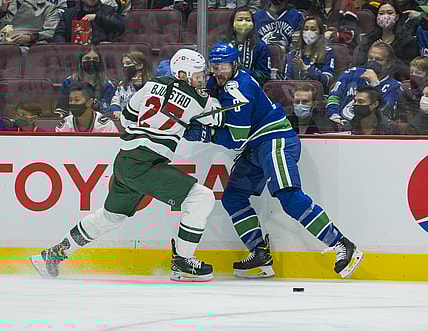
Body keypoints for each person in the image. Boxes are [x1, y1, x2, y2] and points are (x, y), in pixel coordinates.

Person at [30, 49, 222, 282]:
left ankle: (52, 255)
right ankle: (183, 262)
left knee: (111, 217)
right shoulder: (198, 98)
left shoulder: (151, 85)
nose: (201, 79)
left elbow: (128, 117)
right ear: (182, 74)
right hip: (146, 162)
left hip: (126, 158)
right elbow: (218, 119)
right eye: (197, 75)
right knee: (202, 197)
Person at [184, 41, 364, 279]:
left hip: (274, 140)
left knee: (289, 197)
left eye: (224, 66)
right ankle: (260, 252)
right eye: (215, 66)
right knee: (234, 197)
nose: (219, 72)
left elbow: (237, 139)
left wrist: (206, 133)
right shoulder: (218, 82)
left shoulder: (238, 90)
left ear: (234, 64)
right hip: (256, 146)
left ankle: (342, 244)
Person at [327, 41, 401, 129]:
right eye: (370, 58)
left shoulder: (394, 87)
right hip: (339, 125)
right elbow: (334, 96)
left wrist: (375, 84)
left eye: (378, 59)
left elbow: (384, 113)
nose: (373, 62)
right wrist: (334, 117)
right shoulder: (352, 73)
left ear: (388, 64)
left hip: (368, 130)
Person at [355, 0, 419, 80]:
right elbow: (358, 64)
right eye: (381, 13)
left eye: (390, 13)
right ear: (377, 17)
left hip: (396, 81)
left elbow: (409, 70)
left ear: (397, 17)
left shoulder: (407, 40)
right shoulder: (369, 39)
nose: (385, 16)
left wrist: (388, 54)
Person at [56, 45, 116, 117]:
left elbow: (109, 110)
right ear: (80, 62)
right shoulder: (68, 82)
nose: (91, 62)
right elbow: (62, 108)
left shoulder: (107, 86)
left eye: (96, 59)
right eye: (87, 58)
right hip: (72, 123)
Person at [284, 16, 335, 93]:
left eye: (313, 29)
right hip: (295, 95)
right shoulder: (294, 54)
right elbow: (287, 79)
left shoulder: (327, 52)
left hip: (318, 95)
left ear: (320, 33)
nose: (309, 32)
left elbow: (327, 80)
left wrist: (306, 69)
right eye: (306, 29)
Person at [223, 7, 271, 86]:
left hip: (252, 88)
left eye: (248, 20)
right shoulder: (223, 45)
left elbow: (264, 76)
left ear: (253, 24)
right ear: (232, 23)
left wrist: (240, 70)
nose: (244, 23)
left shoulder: (260, 46)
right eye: (240, 19)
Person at [52, 0, 125, 44]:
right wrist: (66, 47)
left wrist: (97, 17)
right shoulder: (69, 13)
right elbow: (59, 34)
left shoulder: (108, 10)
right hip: (75, 54)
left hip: (101, 54)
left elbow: (120, 25)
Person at [108, 51, 152, 120]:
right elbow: (115, 102)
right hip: (122, 120)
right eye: (123, 64)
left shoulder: (150, 84)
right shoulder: (122, 85)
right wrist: (116, 110)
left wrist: (139, 86)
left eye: (128, 63)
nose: (125, 66)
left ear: (139, 66)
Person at [396, 56, 428, 125]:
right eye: (411, 72)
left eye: (418, 73)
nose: (413, 76)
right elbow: (402, 113)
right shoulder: (405, 88)